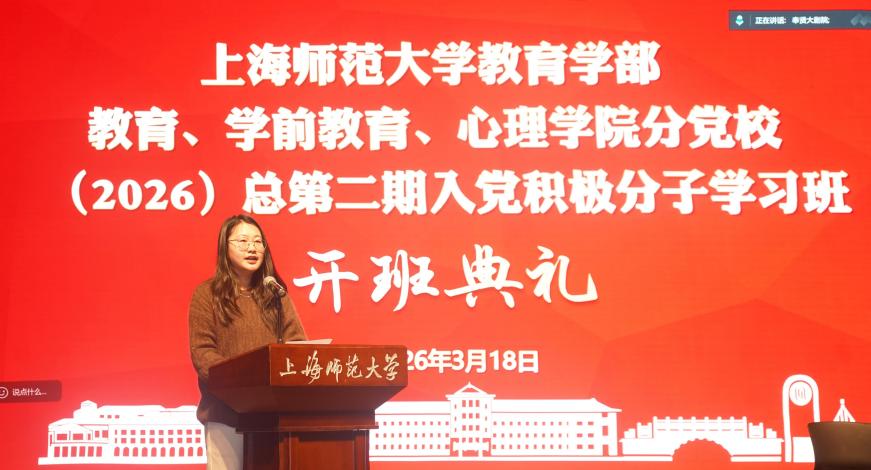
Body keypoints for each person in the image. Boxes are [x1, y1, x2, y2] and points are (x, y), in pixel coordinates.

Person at [189, 214, 307, 470]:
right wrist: (244, 388)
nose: (252, 248)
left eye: (257, 241)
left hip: (272, 417)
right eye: (242, 241)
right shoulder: (207, 294)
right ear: (225, 247)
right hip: (224, 413)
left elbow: (297, 347)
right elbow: (203, 353)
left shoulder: (276, 295)